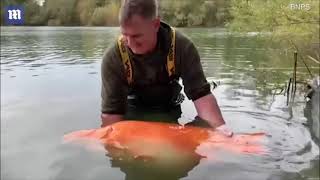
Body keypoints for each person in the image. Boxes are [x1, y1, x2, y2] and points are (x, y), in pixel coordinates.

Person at [100, 0, 233, 137]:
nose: (130, 45)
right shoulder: (113, 57)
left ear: (156, 25)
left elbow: (202, 96)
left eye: (136, 36)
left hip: (170, 108)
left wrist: (220, 130)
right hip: (133, 111)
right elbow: (111, 118)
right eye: (125, 35)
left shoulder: (182, 47)